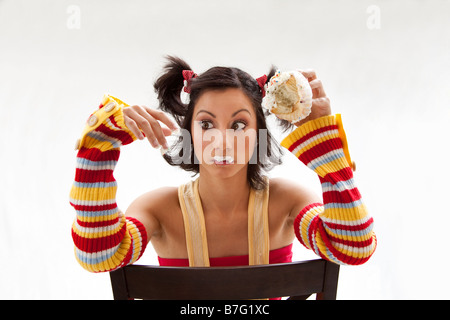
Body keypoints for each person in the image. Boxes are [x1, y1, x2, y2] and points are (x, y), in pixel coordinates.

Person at [69, 56, 376, 274]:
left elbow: (354, 246)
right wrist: (100, 144)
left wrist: (326, 144)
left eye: (239, 125)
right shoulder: (157, 210)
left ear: (259, 135)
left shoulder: (286, 202)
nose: (222, 141)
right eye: (206, 124)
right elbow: (98, 255)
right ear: (189, 133)